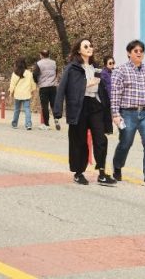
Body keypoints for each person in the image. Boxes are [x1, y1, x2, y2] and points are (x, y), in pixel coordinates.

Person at [54, 39, 116, 186]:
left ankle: (101, 172)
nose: (89, 48)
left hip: (95, 105)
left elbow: (104, 88)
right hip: (79, 107)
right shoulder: (72, 68)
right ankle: (79, 172)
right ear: (79, 50)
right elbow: (63, 88)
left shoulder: (96, 68)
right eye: (85, 46)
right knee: (79, 141)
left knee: (101, 139)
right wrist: (57, 112)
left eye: (90, 46)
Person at [111, 39, 145, 188]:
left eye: (141, 51)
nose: (139, 53)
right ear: (129, 53)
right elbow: (115, 94)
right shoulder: (120, 71)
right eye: (136, 51)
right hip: (128, 113)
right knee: (126, 143)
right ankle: (117, 166)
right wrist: (115, 114)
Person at [33, 49, 59, 131]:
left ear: (41, 55)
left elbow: (35, 74)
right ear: (48, 55)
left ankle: (46, 124)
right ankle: (56, 119)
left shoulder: (39, 63)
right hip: (53, 86)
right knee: (53, 104)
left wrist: (37, 81)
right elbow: (56, 72)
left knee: (45, 106)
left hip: (43, 87)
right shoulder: (54, 62)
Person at [9, 58, 36, 130]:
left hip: (17, 94)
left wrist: (11, 92)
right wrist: (33, 90)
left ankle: (14, 124)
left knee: (16, 109)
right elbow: (32, 83)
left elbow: (12, 84)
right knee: (27, 109)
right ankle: (28, 124)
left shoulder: (14, 73)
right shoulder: (29, 73)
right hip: (26, 94)